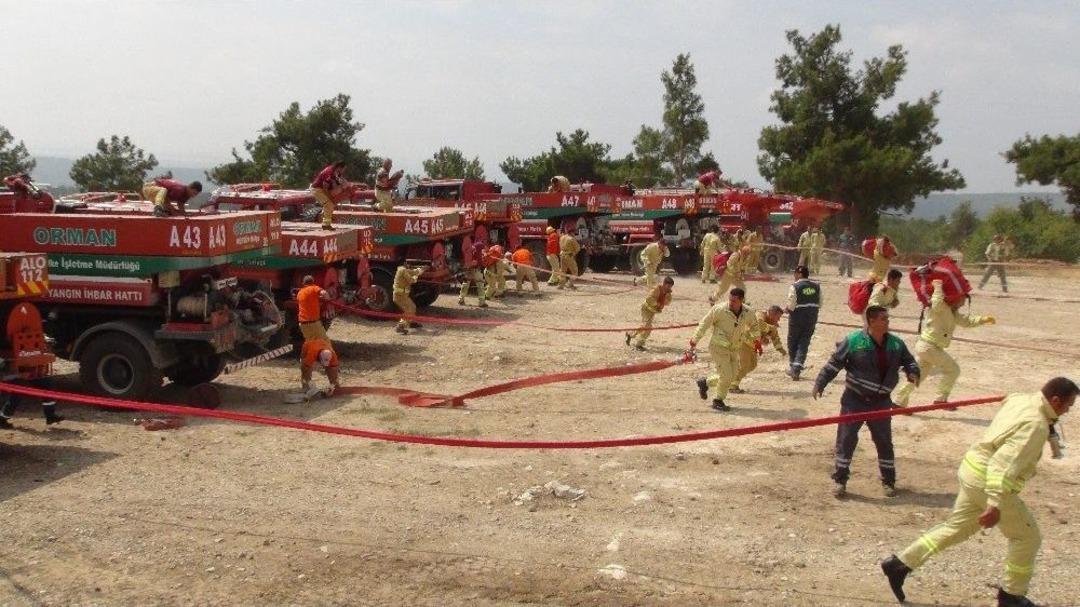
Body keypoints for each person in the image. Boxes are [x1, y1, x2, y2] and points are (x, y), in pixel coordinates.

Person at [881, 377, 1077, 607]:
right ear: (1054, 400)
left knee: (957, 527)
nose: (1068, 410)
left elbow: (1011, 398)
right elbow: (1002, 465)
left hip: (971, 470)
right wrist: (994, 504)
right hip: (989, 481)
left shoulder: (1022, 400)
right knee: (1026, 537)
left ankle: (899, 564)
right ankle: (1011, 596)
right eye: (1068, 405)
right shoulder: (1036, 426)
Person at [813, 305, 921, 498]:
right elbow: (834, 364)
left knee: (884, 442)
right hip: (854, 401)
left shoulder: (896, 344)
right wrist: (820, 382)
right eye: (883, 319)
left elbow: (910, 361)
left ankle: (888, 481)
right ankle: (840, 480)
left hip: (881, 403)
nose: (887, 322)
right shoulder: (853, 341)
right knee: (846, 440)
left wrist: (913, 373)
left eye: (887, 319)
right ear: (871, 321)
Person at [894, 280, 995, 407]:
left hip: (926, 347)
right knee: (953, 370)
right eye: (962, 300)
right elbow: (936, 302)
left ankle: (899, 401)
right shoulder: (940, 307)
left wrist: (983, 320)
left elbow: (966, 321)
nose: (963, 303)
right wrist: (938, 287)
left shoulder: (952, 312)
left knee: (918, 375)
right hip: (929, 347)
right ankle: (941, 399)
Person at [690, 287, 753, 412]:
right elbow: (704, 323)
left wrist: (756, 340)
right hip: (718, 347)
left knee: (732, 375)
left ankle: (705, 383)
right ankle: (718, 400)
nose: (730, 302)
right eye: (730, 299)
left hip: (734, 348)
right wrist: (694, 340)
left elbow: (754, 325)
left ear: (741, 301)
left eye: (734, 301)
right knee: (727, 375)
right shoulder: (719, 309)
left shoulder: (747, 312)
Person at [729, 305, 787, 394]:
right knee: (744, 365)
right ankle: (732, 385)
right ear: (772, 314)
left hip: (753, 345)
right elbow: (758, 324)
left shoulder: (772, 323)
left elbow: (775, 336)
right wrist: (767, 332)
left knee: (752, 365)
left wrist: (780, 349)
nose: (778, 320)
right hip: (743, 341)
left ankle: (730, 380)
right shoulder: (760, 315)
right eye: (778, 317)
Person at [784, 265, 822, 380]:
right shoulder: (817, 286)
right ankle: (797, 368)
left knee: (792, 340)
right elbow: (820, 303)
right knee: (804, 342)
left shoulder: (795, 286)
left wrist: (787, 309)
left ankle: (793, 366)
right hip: (811, 317)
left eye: (795, 273)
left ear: (799, 274)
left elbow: (791, 305)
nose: (794, 276)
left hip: (797, 317)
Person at [625, 276, 674, 351]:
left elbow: (668, 302)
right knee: (648, 327)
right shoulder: (656, 289)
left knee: (645, 326)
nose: (669, 288)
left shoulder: (668, 293)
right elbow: (649, 299)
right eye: (668, 286)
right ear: (664, 284)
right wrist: (657, 304)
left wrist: (666, 299)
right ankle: (639, 344)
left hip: (652, 310)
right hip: (646, 308)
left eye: (670, 286)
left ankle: (630, 334)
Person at [392, 262, 426, 335]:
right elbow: (412, 280)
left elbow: (413, 272)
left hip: (401, 295)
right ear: (406, 264)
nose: (411, 267)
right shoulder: (403, 270)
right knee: (410, 309)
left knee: (412, 308)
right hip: (400, 296)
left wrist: (421, 269)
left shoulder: (403, 269)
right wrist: (416, 276)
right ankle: (400, 326)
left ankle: (411, 322)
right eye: (410, 266)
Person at [310, 161, 345, 229]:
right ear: (339, 168)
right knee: (328, 204)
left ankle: (326, 223)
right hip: (317, 189)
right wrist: (330, 197)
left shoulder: (333, 171)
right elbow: (325, 187)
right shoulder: (329, 172)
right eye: (343, 169)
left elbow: (335, 183)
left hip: (320, 189)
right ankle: (326, 225)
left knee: (330, 205)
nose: (343, 171)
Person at [296, 275, 330, 341]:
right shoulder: (313, 288)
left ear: (303, 283)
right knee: (325, 342)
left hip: (302, 324)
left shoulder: (300, 293)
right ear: (313, 282)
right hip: (313, 323)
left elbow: (307, 300)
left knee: (311, 343)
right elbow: (324, 293)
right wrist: (328, 298)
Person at [458, 240, 489, 307]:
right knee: (480, 284)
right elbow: (480, 260)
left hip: (469, 268)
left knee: (465, 284)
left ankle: (461, 299)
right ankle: (482, 302)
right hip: (476, 269)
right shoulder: (480, 246)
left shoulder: (472, 248)